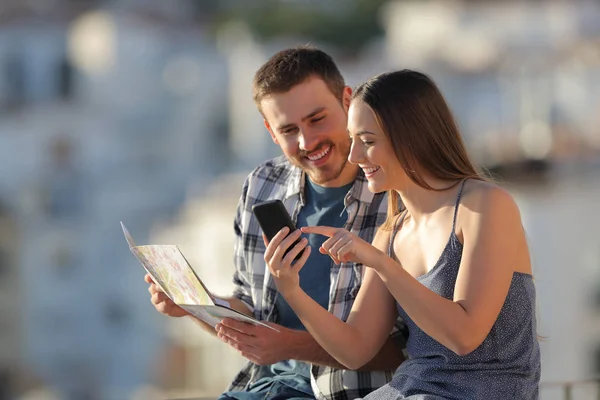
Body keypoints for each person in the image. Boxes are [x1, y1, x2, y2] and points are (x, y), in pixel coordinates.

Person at [146, 47, 407, 399]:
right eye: (288, 130)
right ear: (271, 132)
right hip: (263, 386)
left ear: (348, 101)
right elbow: (251, 310)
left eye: (317, 119)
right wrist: (195, 306)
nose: (307, 141)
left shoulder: (395, 193)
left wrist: (290, 346)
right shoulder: (262, 185)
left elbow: (409, 351)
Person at [265, 70, 541, 399]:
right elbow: (354, 350)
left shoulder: (484, 205)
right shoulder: (392, 231)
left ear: (411, 137)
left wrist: (381, 264)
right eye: (353, 140)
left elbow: (465, 335)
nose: (354, 156)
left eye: (367, 141)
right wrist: (292, 290)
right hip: (412, 389)